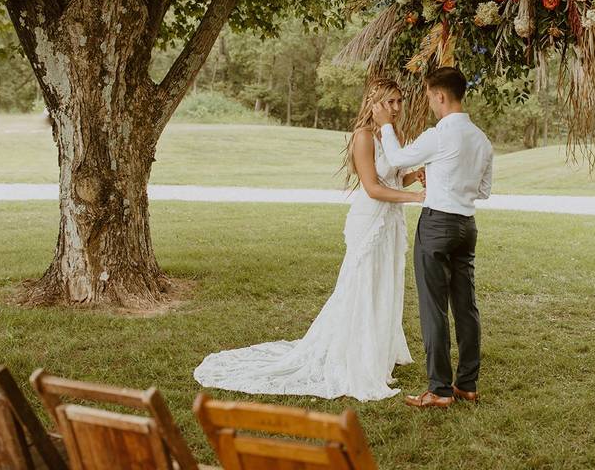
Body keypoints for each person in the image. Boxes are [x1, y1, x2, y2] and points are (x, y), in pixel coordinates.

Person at [193, 77, 425, 401]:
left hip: (389, 222)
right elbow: (372, 187)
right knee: (361, 286)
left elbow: (393, 175)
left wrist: (414, 176)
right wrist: (414, 199)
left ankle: (375, 352)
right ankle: (354, 356)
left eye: (400, 101)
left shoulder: (391, 135)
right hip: (370, 220)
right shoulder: (363, 137)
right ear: (374, 104)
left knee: (384, 283)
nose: (397, 108)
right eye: (391, 102)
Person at [372, 66, 493, 408]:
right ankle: (467, 385)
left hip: (437, 224)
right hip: (466, 227)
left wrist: (384, 123)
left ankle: (439, 390)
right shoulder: (481, 139)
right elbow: (482, 191)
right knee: (466, 307)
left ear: (440, 95)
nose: (429, 102)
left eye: (428, 96)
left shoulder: (438, 135)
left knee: (433, 308)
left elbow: (396, 158)